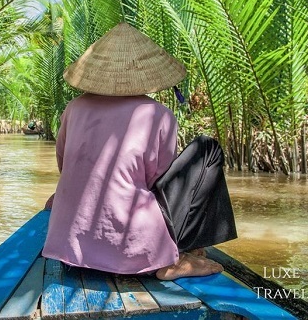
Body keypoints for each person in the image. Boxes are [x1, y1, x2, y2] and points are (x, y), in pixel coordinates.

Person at [42, 22, 237, 280]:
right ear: (145, 74)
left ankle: (173, 250)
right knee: (207, 148)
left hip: (69, 244)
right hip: (131, 246)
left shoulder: (73, 108)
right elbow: (161, 184)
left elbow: (65, 166)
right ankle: (176, 256)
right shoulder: (159, 115)